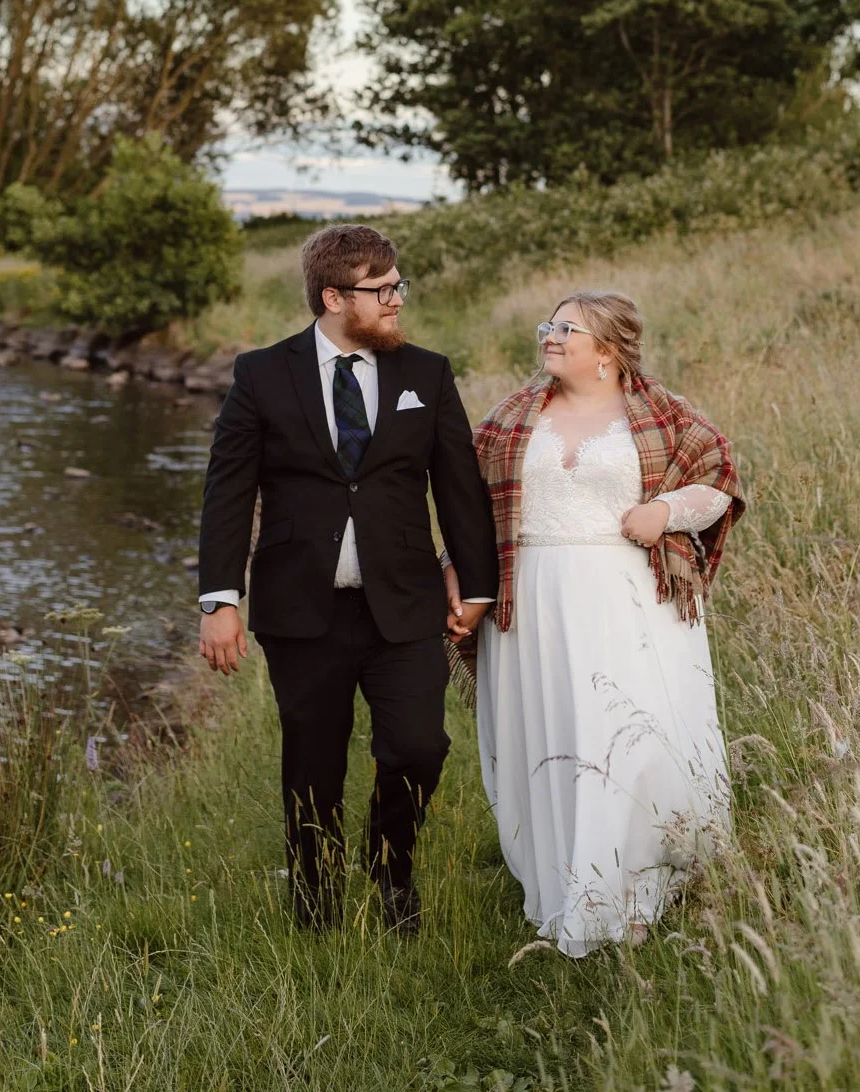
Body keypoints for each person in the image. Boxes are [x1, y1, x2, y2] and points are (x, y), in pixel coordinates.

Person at [196, 225, 498, 933]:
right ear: (333, 297)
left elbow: (458, 486)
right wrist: (220, 599)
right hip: (301, 608)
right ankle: (315, 905)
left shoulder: (427, 373)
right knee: (313, 763)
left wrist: (477, 584)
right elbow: (228, 491)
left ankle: (391, 870)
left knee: (419, 748)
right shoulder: (262, 375)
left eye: (398, 286)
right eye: (381, 289)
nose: (397, 300)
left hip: (406, 604)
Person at [446, 289, 743, 955]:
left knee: (627, 739)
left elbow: (718, 479)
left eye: (567, 330)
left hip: (627, 600)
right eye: (548, 326)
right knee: (548, 737)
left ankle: (632, 886)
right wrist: (457, 572)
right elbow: (469, 506)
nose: (549, 337)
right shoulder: (511, 418)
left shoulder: (662, 412)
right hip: (532, 605)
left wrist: (665, 511)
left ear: (607, 349)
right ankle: (562, 881)